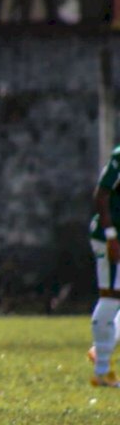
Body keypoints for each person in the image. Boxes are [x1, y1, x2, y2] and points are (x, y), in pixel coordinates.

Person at [86, 145, 120, 387]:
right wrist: (110, 235)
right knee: (109, 297)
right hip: (110, 237)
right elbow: (101, 194)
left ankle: (100, 352)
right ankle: (102, 370)